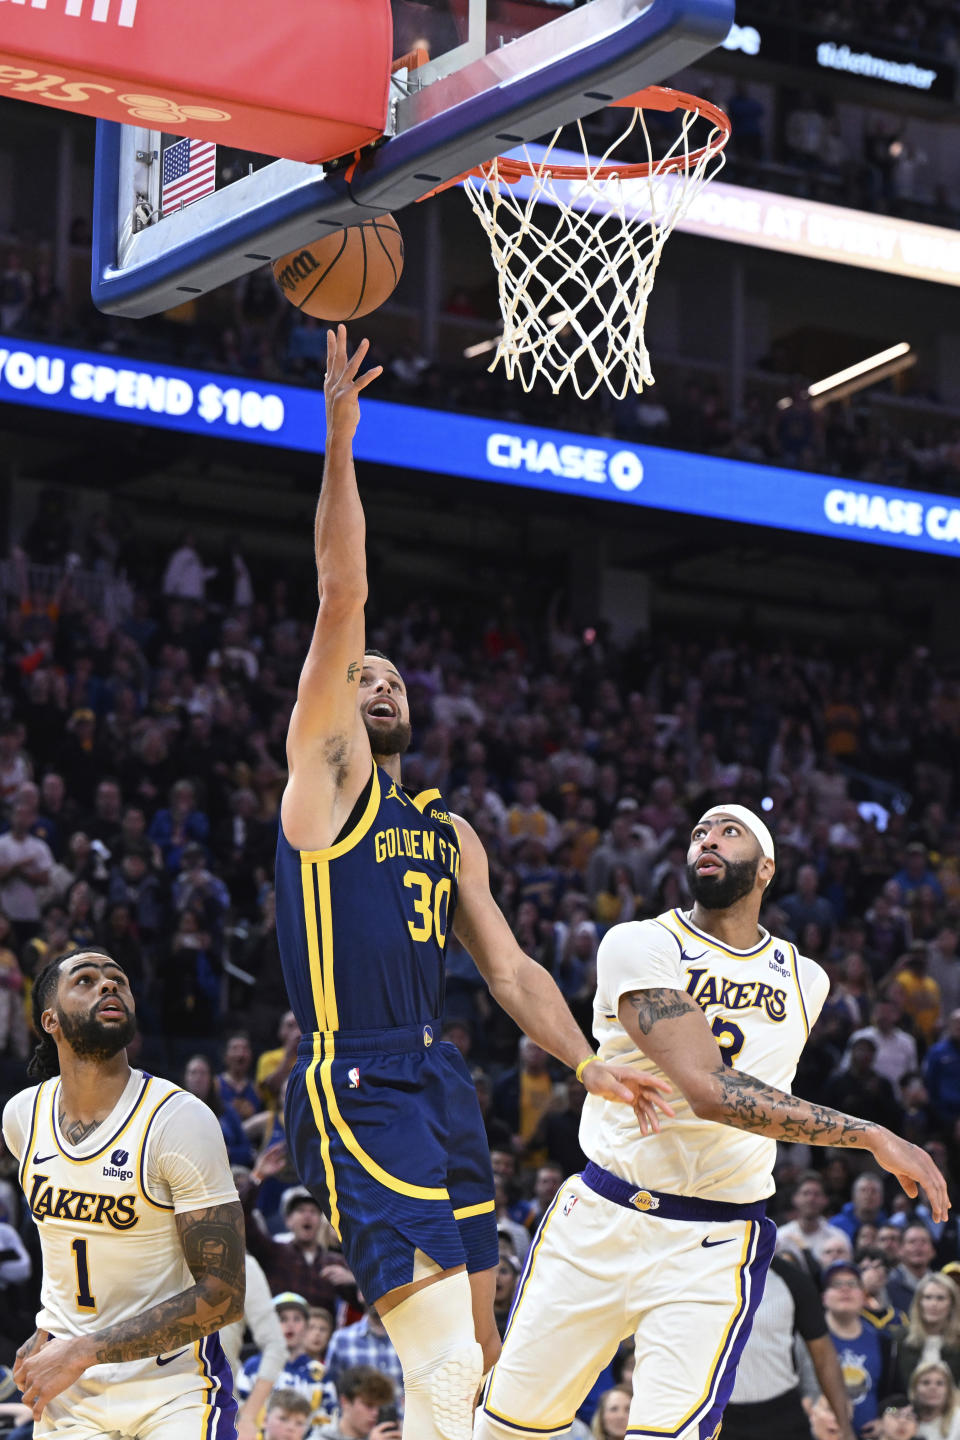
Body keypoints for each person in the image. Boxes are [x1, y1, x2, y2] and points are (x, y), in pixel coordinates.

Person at [274, 328, 669, 1440]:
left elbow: (506, 968)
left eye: (395, 676)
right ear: (333, 701)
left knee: (485, 1357)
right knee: (443, 1363)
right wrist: (341, 442)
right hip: (355, 1082)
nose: (379, 680)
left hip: (441, 1080)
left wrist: (588, 1065)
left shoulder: (447, 830)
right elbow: (340, 591)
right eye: (364, 674)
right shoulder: (325, 779)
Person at [475, 805, 948, 1440]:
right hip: (604, 1217)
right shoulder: (640, 943)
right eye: (699, 831)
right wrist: (871, 1133)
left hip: (716, 1237)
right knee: (509, 1427)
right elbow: (708, 1091)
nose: (708, 839)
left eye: (729, 832)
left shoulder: (807, 979)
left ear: (767, 867)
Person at [1, 946, 245, 1433]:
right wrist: (49, 1327)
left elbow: (224, 1294)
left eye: (118, 979)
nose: (109, 985)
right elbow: (68, 1246)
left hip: (173, 1388)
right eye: (85, 980)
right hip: (69, 1391)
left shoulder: (178, 1119)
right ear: (49, 1020)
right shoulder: (22, 1118)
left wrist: (83, 1350)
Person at [721, 1252, 853, 1440]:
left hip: (782, 1414)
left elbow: (824, 1357)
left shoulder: (790, 1279)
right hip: (717, 1415)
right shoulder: (696, 1276)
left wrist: (845, 1429)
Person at [822, 1260, 898, 1436]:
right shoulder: (809, 1341)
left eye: (853, 1284)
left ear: (864, 1297)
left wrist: (887, 1418)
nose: (845, 1289)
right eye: (836, 1284)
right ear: (823, 1297)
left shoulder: (884, 1341)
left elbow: (897, 1397)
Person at [898, 1274, 960, 1387]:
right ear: (918, 1302)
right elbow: (887, 1399)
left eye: (940, 1298)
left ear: (952, 1305)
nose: (933, 1304)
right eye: (927, 1297)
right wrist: (896, 1406)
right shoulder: (899, 1339)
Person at [315, 1365, 400, 1440]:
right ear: (345, 1402)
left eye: (379, 1407)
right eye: (368, 1405)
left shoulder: (380, 1436)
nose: (376, 1413)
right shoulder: (320, 1437)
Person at [909, 1361, 960, 1439]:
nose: (933, 1388)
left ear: (949, 1391)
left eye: (939, 1383)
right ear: (914, 1389)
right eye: (926, 1383)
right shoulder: (904, 1420)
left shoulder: (957, 1420)